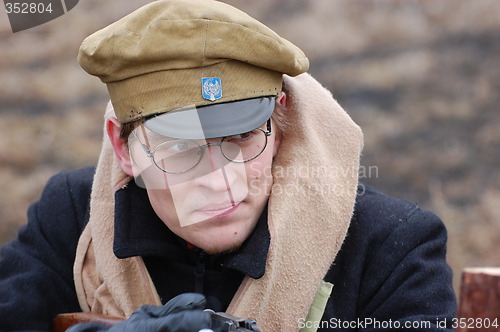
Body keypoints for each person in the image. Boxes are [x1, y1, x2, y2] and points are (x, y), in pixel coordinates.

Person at [0, 0, 456, 331]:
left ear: (280, 122)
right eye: (181, 149)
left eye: (241, 137)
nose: (221, 181)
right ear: (123, 150)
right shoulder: (71, 218)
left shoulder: (391, 247)